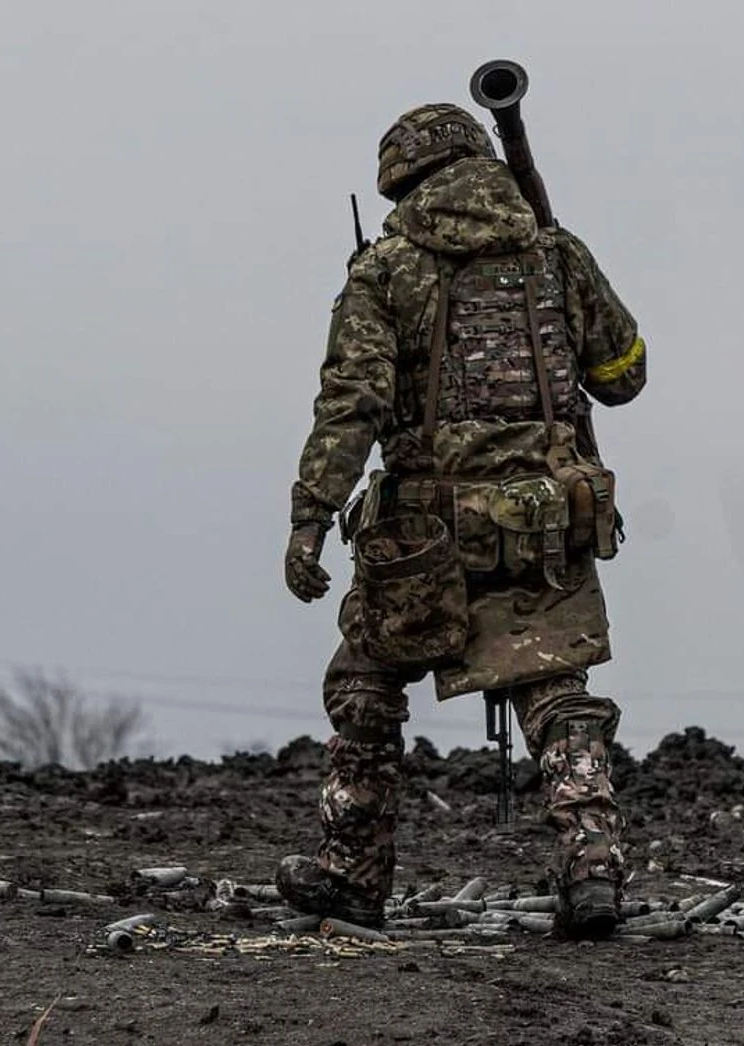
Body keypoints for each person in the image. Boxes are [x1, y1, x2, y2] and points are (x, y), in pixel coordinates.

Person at [277, 102, 646, 939]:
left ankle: (351, 876)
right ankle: (592, 866)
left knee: (366, 684)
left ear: (400, 184)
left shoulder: (386, 270)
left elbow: (353, 404)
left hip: (424, 534)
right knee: (556, 693)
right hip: (550, 523)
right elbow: (625, 373)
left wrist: (310, 516)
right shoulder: (557, 256)